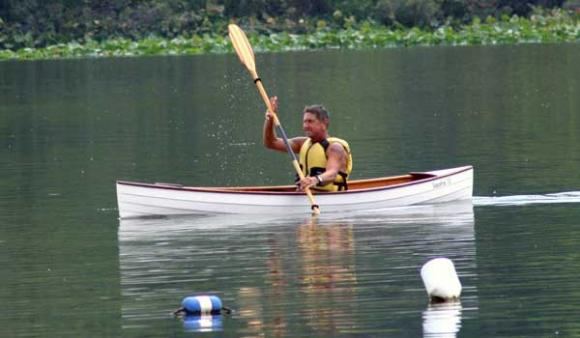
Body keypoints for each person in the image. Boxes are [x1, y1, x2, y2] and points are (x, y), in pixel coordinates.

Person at [263, 96, 352, 192]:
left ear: (324, 123)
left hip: (327, 196)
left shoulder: (334, 148)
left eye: (310, 122)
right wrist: (270, 118)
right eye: (304, 122)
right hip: (304, 195)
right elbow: (271, 142)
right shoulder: (302, 143)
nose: (306, 126)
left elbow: (332, 173)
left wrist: (315, 179)